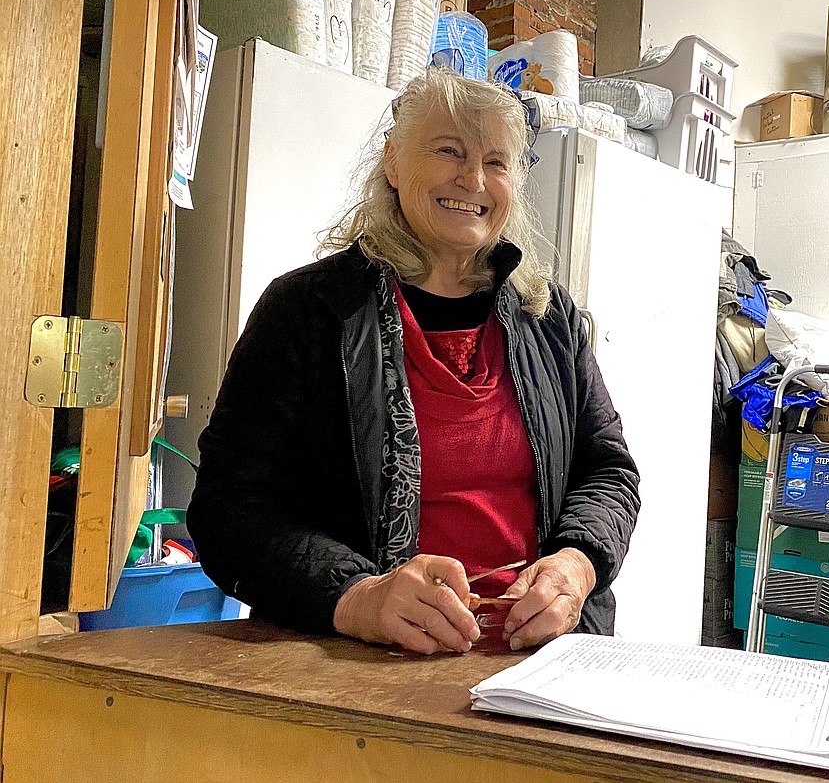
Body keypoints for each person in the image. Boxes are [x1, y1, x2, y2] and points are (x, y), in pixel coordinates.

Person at [187, 68, 640, 655]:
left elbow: (608, 472)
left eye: (497, 162)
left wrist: (577, 565)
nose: (473, 179)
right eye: (449, 151)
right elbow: (228, 506)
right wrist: (358, 596)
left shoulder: (548, 318)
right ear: (394, 164)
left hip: (542, 662)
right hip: (365, 659)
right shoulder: (309, 311)